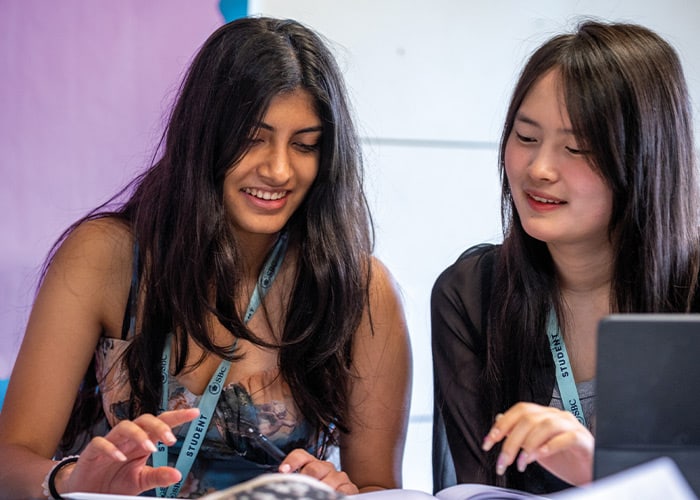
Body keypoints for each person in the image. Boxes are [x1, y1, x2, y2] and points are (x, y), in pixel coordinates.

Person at [0, 16, 412, 498]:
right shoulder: (105, 256)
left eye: (304, 145)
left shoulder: (360, 289)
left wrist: (344, 491)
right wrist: (69, 478)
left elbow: (380, 488)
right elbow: (9, 460)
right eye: (254, 138)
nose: (278, 169)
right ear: (203, 135)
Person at [431, 20, 700, 494]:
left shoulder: (691, 288)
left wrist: (600, 472)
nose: (539, 169)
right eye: (526, 137)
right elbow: (477, 488)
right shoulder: (472, 293)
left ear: (646, 158)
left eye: (576, 147)